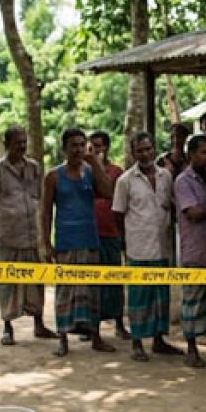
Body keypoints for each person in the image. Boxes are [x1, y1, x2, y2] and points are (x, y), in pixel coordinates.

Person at [42, 128, 116, 356]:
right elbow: (45, 212)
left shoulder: (90, 172)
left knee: (92, 290)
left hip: (90, 239)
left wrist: (95, 164)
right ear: (64, 148)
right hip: (66, 241)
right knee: (65, 291)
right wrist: (45, 243)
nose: (78, 150)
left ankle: (95, 336)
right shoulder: (53, 176)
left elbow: (109, 193)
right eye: (73, 145)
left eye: (82, 145)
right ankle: (63, 338)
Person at [0, 126, 56, 346]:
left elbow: (39, 197)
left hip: (32, 234)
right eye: (17, 143)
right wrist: (5, 218)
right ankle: (7, 326)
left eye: (24, 142)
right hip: (8, 236)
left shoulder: (34, 168)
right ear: (6, 145)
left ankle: (39, 323)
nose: (22, 147)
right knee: (9, 281)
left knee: (36, 279)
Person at [113, 132, 182, 363]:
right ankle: (137, 343)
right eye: (140, 150)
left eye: (148, 149)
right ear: (133, 153)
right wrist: (125, 242)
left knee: (159, 297)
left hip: (162, 247)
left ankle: (159, 340)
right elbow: (118, 215)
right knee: (139, 297)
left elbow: (171, 208)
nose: (145, 154)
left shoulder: (166, 176)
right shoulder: (125, 181)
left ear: (154, 149)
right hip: (138, 247)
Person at [176, 135, 206, 367]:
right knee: (193, 302)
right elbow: (193, 213)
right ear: (191, 154)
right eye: (204, 153)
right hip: (195, 249)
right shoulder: (183, 181)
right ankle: (192, 349)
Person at [89, 130, 130, 340]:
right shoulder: (84, 170)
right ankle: (92, 326)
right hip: (89, 233)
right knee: (92, 282)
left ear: (107, 147)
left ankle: (119, 323)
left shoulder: (117, 172)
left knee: (114, 280)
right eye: (93, 145)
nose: (96, 149)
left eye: (100, 145)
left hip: (111, 231)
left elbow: (119, 201)